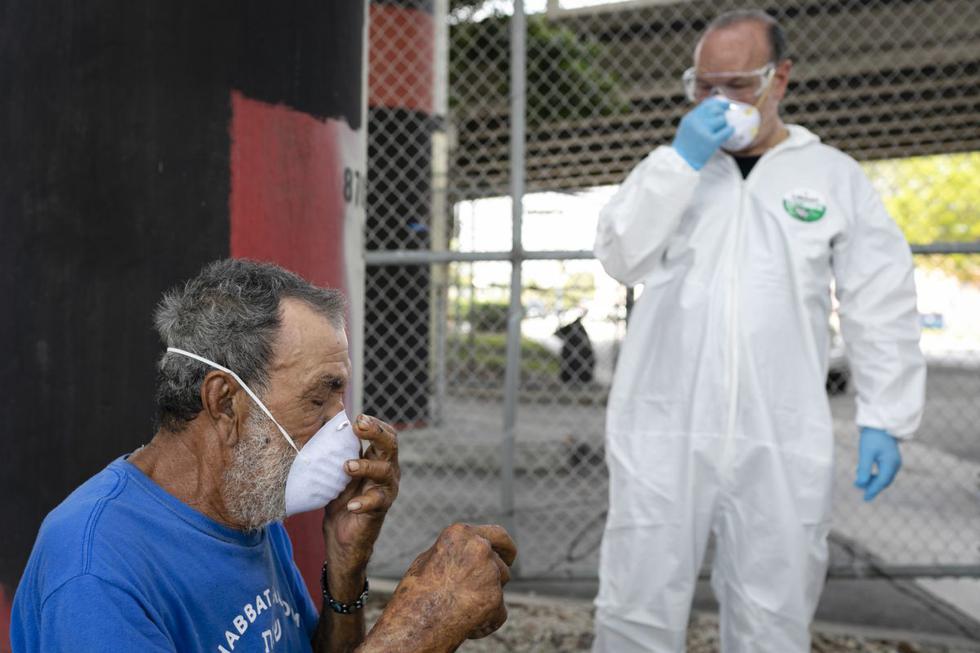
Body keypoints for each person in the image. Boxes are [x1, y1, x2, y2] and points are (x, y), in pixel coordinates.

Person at [592, 9, 925, 652]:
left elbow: (879, 297)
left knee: (774, 612)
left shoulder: (831, 176)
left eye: (739, 85)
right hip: (666, 425)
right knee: (637, 601)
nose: (721, 102)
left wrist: (885, 413)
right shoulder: (673, 170)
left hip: (780, 431)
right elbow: (619, 254)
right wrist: (679, 161)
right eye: (706, 85)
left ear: (781, 79)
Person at [11, 258, 517, 652]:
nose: (343, 429)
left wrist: (345, 567)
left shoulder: (244, 505)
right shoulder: (96, 571)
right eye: (319, 398)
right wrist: (420, 630)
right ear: (225, 403)